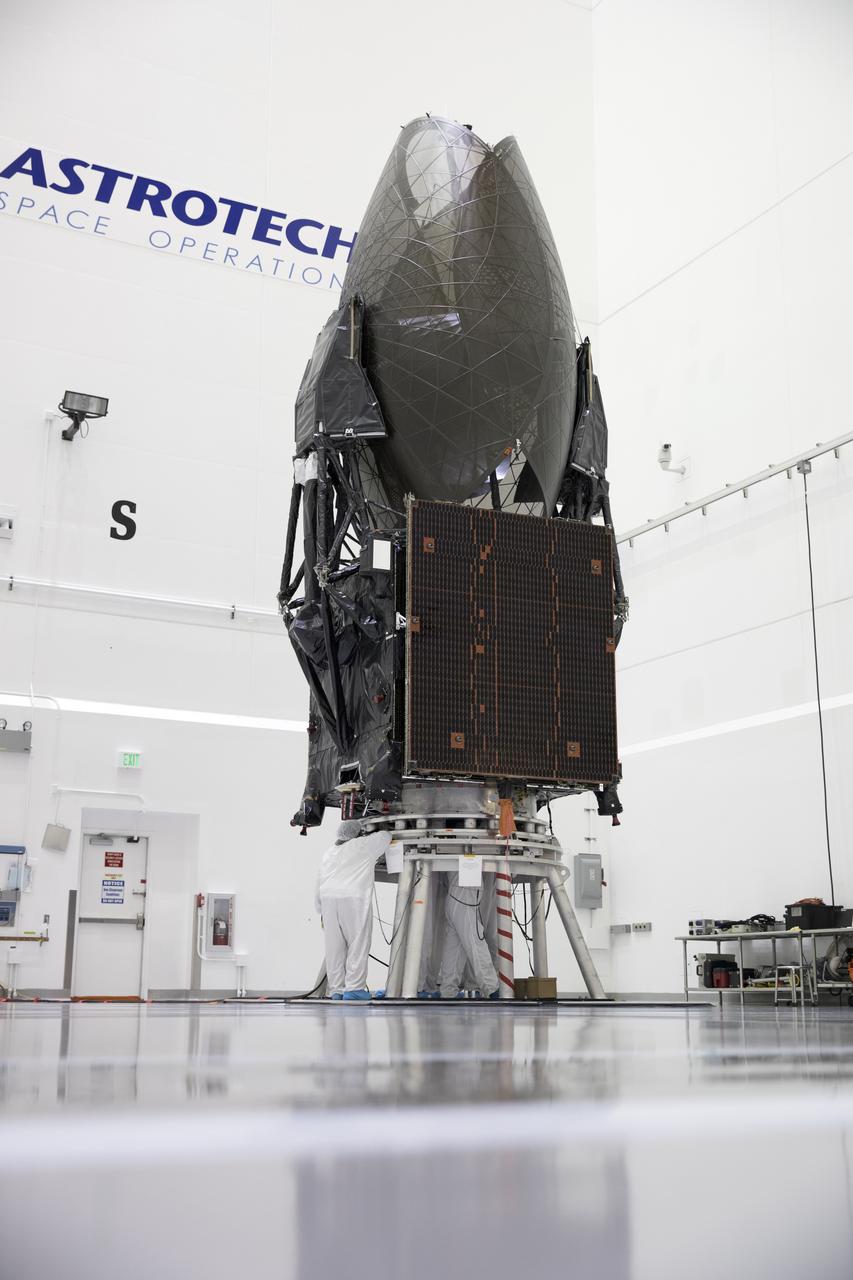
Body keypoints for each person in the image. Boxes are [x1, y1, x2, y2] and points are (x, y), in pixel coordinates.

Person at [315, 819, 391, 1000]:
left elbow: (319, 881)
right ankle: (354, 989)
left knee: (334, 949)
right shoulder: (363, 845)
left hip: (328, 900)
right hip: (353, 900)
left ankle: (336, 990)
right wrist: (371, 828)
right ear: (358, 833)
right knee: (357, 943)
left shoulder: (329, 852)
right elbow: (386, 836)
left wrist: (321, 909)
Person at [438, 871, 499, 999]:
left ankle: (447, 991)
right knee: (476, 943)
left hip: (454, 894)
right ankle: (492, 988)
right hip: (466, 896)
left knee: (453, 950)